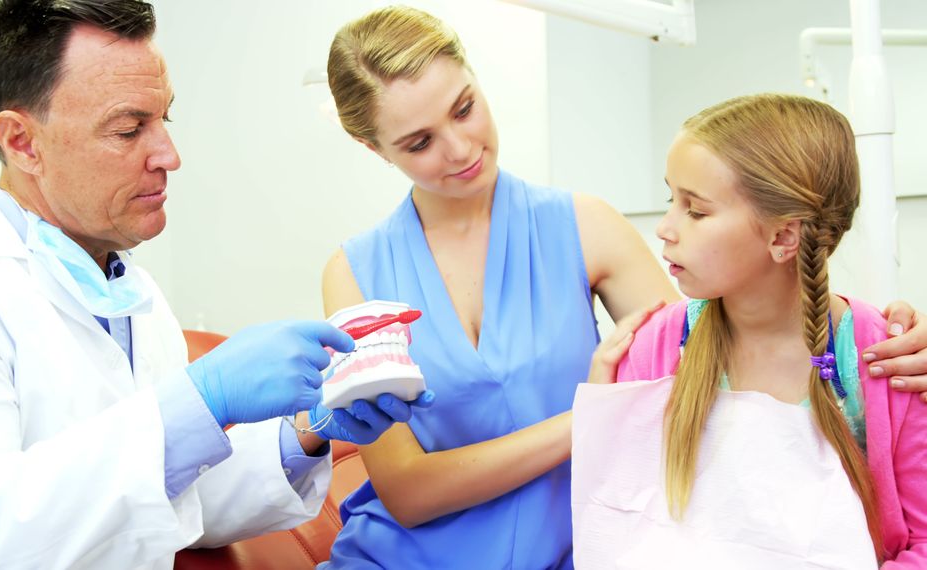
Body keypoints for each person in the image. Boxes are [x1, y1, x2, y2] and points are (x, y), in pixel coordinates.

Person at [318, 6, 927, 569]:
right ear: (372, 147)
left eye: (463, 108)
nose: (460, 148)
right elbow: (408, 492)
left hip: (573, 552)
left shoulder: (585, 226)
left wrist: (881, 333)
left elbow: (720, 350)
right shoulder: (354, 273)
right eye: (419, 142)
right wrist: (594, 415)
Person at [0, 1, 432, 568]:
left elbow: (170, 500)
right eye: (129, 130)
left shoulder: (127, 290)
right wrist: (201, 401)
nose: (170, 156)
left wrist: (305, 432)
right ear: (22, 142)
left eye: (164, 119)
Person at [580, 93, 926, 567]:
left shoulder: (886, 359)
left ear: (784, 237)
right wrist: (603, 411)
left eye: (696, 211)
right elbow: (618, 525)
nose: (665, 228)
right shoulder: (654, 350)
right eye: (671, 200)